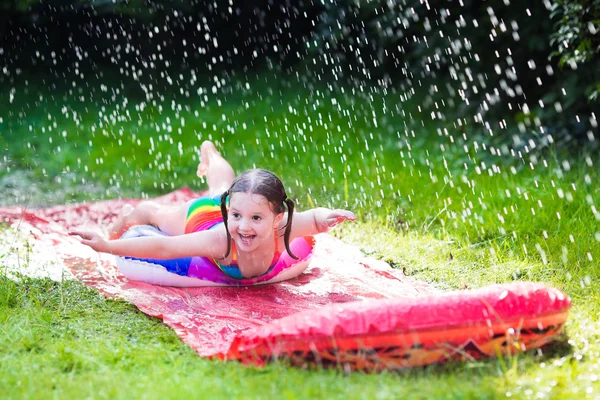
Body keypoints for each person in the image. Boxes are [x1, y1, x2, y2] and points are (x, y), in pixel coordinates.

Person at [71, 141, 356, 279]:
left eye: (257, 218)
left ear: (277, 219)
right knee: (159, 216)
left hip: (226, 205)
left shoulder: (284, 230)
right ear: (231, 212)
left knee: (221, 186)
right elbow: (165, 248)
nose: (244, 227)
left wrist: (329, 216)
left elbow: (315, 220)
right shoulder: (222, 240)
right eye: (239, 217)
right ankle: (136, 213)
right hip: (202, 218)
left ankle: (212, 154)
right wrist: (108, 245)